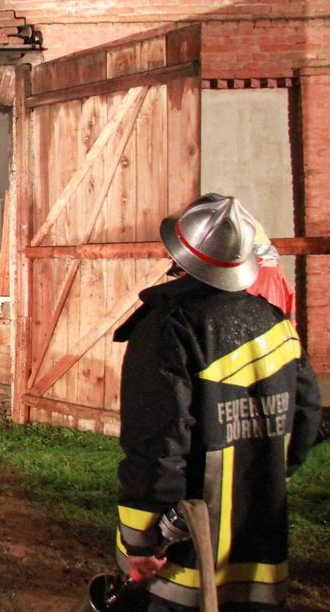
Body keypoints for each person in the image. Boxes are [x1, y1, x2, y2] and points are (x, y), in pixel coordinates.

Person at [112, 194, 323, 611]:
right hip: (261, 550)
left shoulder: (169, 327)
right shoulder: (276, 325)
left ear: (178, 253)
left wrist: (141, 540)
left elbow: (156, 441)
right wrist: (267, 476)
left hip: (184, 558)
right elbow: (306, 419)